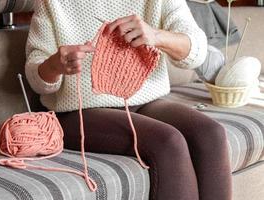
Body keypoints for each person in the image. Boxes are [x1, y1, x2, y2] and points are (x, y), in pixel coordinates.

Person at [25, 0, 231, 199]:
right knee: (168, 141)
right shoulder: (51, 3)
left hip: (146, 103)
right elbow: (36, 79)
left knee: (211, 134)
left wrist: (156, 35)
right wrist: (54, 65)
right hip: (78, 112)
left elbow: (197, 52)